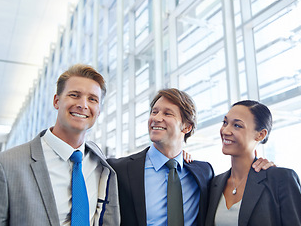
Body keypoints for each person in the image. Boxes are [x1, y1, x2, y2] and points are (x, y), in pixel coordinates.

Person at [108, 89, 274, 226]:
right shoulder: (119, 170)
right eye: (154, 112)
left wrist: (261, 166)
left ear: (187, 126)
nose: (156, 118)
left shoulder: (203, 172)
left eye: (167, 113)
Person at [0, 64, 120, 226]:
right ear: (56, 101)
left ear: (99, 111)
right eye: (74, 95)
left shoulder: (101, 165)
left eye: (92, 99)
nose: (83, 104)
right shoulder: (2, 167)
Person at [205, 100, 301, 226]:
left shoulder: (281, 179)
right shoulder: (215, 183)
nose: (226, 131)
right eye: (225, 123)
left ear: (260, 135)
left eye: (237, 125)